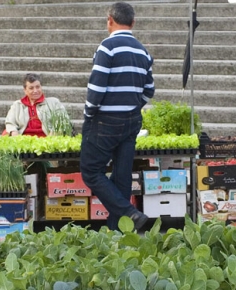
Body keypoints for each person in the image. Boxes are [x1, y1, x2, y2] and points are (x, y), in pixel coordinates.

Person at [80, 2, 155, 231]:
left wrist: (89, 112)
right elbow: (149, 90)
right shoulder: (143, 51)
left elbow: (96, 89)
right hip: (131, 121)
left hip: (105, 121)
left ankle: (128, 213)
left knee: (91, 171)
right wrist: (133, 106)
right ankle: (116, 232)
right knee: (122, 177)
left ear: (109, 20)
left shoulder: (107, 47)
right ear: (132, 22)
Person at [4, 73, 70, 137]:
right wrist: (14, 134)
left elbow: (62, 121)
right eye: (31, 88)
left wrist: (52, 136)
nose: (35, 91)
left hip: (47, 138)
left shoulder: (54, 102)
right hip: (24, 139)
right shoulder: (17, 105)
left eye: (38, 87)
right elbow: (10, 122)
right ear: (25, 90)